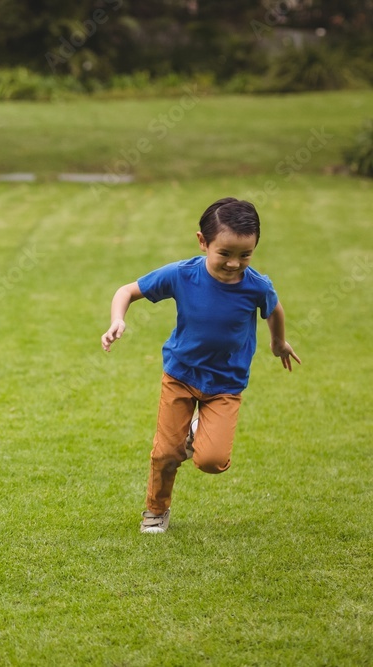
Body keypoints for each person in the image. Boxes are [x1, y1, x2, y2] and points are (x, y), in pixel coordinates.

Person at [100, 197, 300, 534]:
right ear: (203, 242)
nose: (235, 264)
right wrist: (116, 320)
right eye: (225, 253)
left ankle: (195, 432)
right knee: (166, 452)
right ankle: (156, 510)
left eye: (245, 255)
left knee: (212, 462)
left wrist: (278, 342)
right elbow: (127, 291)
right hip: (181, 375)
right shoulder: (182, 275)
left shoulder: (256, 287)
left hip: (226, 384)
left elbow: (274, 308)